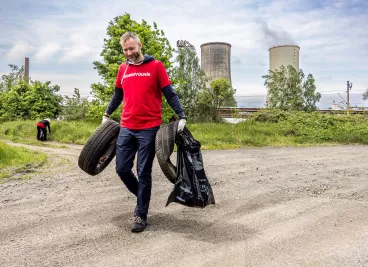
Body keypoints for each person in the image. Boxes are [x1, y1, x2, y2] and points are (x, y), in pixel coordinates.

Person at [103, 32, 187, 233]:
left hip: (149, 128)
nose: (129, 53)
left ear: (140, 45)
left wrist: (181, 115)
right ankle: (142, 195)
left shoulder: (156, 66)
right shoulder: (122, 69)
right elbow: (118, 95)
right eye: (125, 49)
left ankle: (141, 213)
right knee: (122, 169)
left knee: (144, 171)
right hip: (127, 126)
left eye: (132, 48)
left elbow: (169, 93)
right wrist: (107, 113)